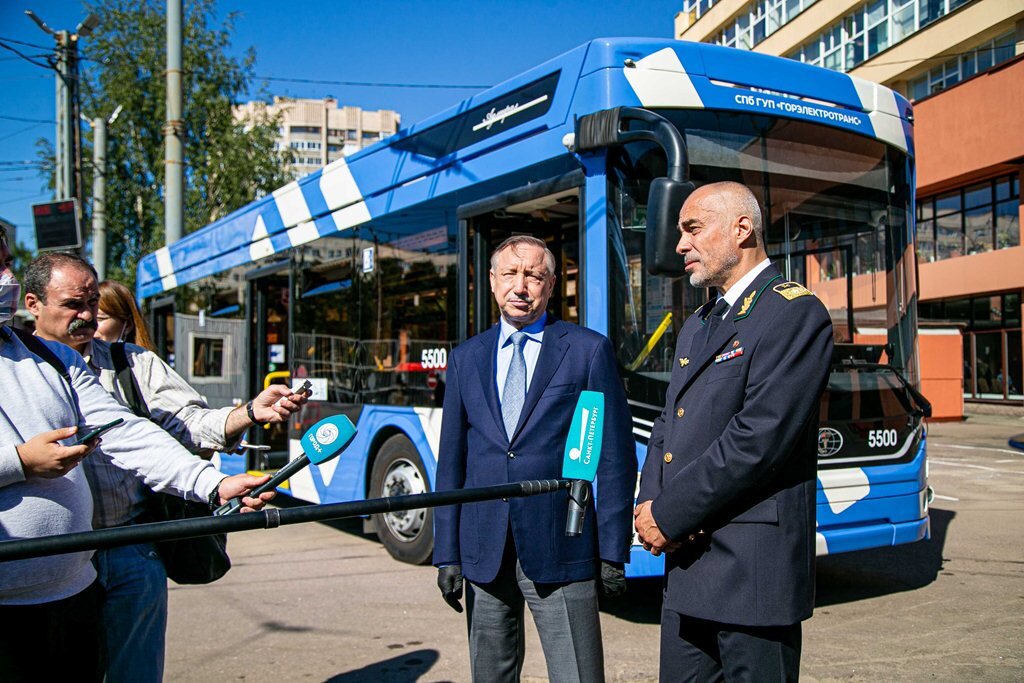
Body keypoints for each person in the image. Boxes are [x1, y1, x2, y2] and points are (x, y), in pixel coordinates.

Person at [0, 227, 273, 682]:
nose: (7, 275)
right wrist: (20, 462)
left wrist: (214, 484)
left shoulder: (51, 359)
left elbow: (127, 432)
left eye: (6, 260)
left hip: (73, 591)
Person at [634, 181, 833, 682]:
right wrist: (649, 503)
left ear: (742, 228)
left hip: (751, 575)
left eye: (692, 228)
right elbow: (668, 424)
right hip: (686, 567)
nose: (680, 244)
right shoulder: (699, 322)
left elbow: (758, 440)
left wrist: (670, 512)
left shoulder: (793, 312)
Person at [433, 235, 636, 682]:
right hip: (484, 551)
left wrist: (614, 550)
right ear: (491, 281)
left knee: (577, 676)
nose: (520, 286)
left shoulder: (587, 350)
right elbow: (451, 463)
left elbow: (615, 459)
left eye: (534, 275)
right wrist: (447, 552)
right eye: (509, 274)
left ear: (550, 285)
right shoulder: (466, 359)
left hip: (563, 544)